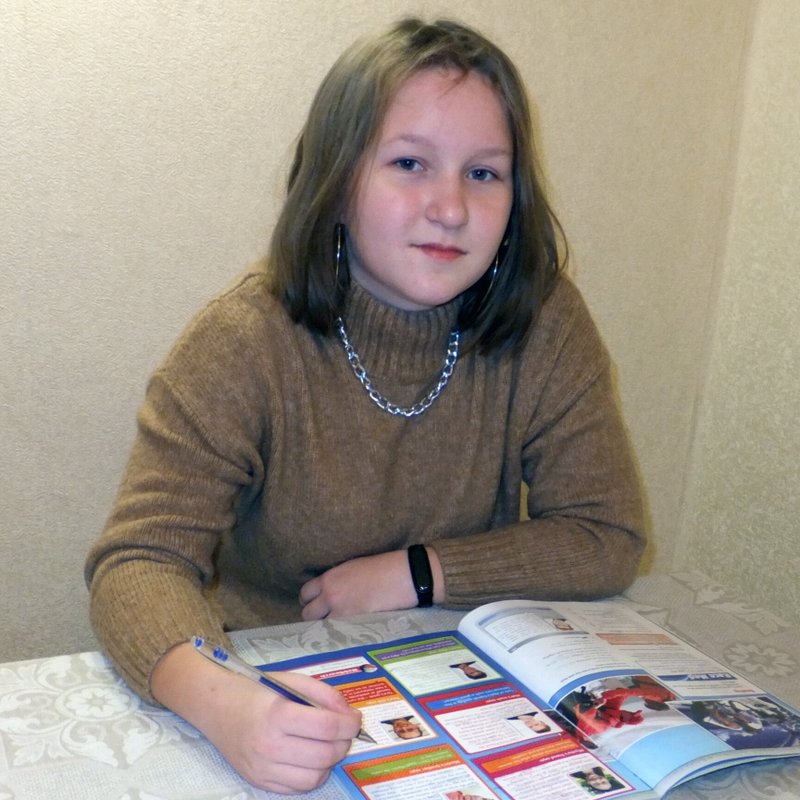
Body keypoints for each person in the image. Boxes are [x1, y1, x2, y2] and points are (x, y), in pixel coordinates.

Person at [84, 16, 646, 796]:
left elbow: (606, 534)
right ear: (339, 180)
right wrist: (222, 702)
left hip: (471, 694)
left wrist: (422, 571)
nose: (451, 207)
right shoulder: (242, 340)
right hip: (278, 686)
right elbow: (139, 563)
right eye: (410, 163)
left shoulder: (545, 321)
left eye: (485, 173)